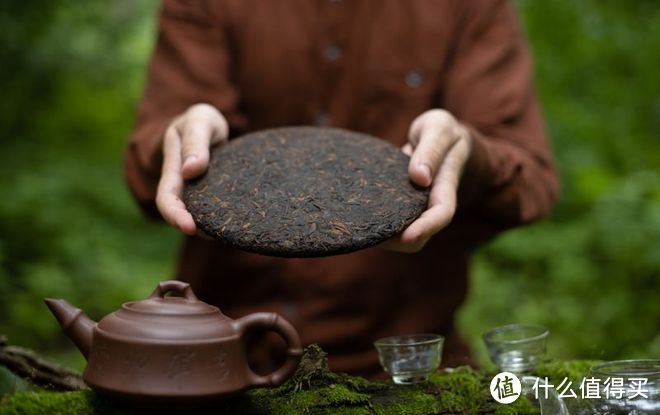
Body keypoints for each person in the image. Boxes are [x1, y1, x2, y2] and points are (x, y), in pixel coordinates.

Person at [124, 0, 558, 378]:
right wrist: (179, 139)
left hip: (405, 367)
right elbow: (145, 175)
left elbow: (530, 182)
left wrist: (467, 152)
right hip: (216, 364)